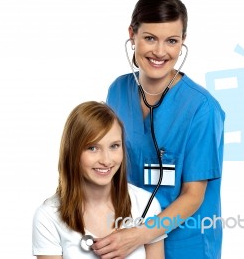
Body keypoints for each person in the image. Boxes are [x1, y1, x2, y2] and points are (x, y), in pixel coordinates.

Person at [92, 0, 225, 258]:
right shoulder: (118, 91)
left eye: (172, 41)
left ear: (182, 42)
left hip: (185, 242)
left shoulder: (202, 109)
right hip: (125, 236)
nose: (160, 52)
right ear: (132, 34)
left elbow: (193, 195)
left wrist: (138, 235)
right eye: (150, 38)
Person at [32, 101, 166, 259]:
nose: (106, 160)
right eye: (92, 148)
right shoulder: (48, 216)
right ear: (72, 151)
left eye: (114, 146)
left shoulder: (146, 204)